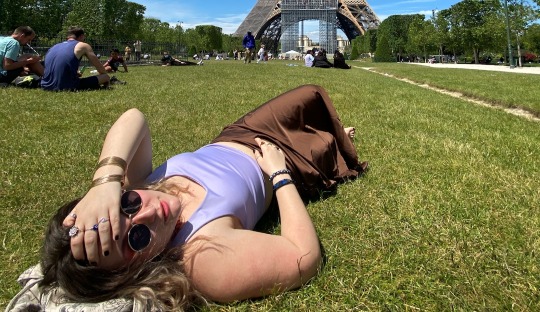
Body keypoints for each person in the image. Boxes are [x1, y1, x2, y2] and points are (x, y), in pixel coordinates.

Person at [35, 84, 368, 310]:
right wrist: (278, 173)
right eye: (136, 238)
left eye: (127, 205)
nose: (148, 213)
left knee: (309, 94)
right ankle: (334, 137)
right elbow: (303, 258)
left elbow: (134, 117)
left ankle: (334, 133)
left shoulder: (139, 184)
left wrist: (105, 183)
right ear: (131, 272)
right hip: (279, 156)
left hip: (241, 132)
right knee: (327, 143)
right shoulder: (200, 257)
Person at [41, 26, 110, 91]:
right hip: (66, 86)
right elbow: (101, 69)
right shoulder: (83, 45)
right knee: (105, 77)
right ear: (82, 36)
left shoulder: (54, 46)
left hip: (45, 85)